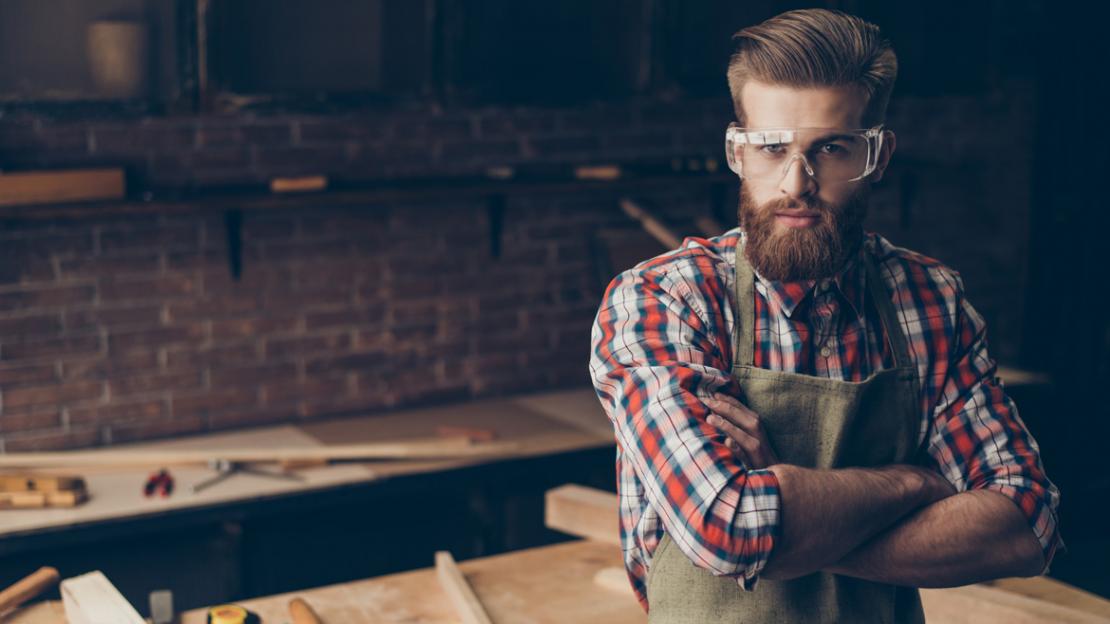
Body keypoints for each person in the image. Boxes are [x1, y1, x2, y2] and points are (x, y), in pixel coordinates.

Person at [588, 8, 1063, 623]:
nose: (796, 181)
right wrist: (917, 484)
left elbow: (1027, 523)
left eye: (831, 149)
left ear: (878, 155)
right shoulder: (663, 301)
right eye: (770, 147)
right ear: (737, 151)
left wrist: (792, 516)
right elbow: (727, 528)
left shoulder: (929, 300)